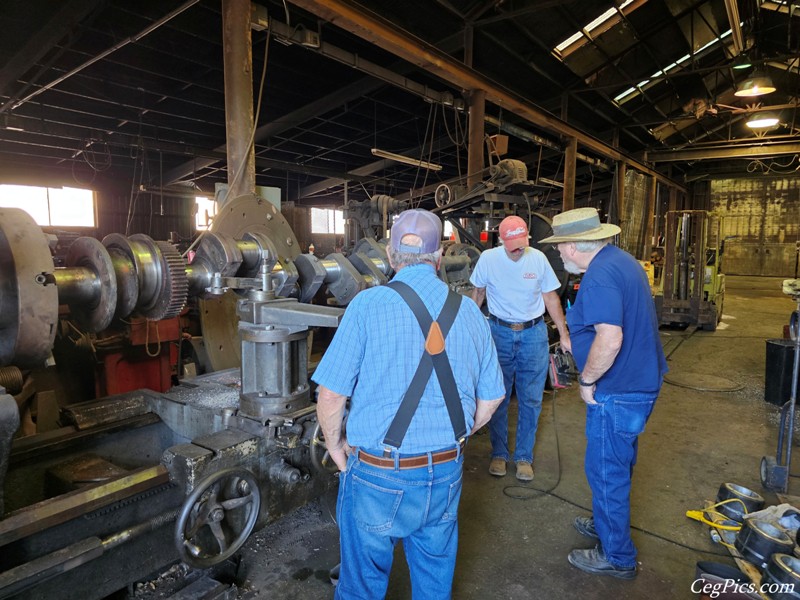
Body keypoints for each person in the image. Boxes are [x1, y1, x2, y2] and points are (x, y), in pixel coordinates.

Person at [313, 209, 505, 600]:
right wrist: (457, 433)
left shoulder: (366, 306)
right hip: (445, 470)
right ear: (439, 257)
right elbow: (493, 396)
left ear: (390, 254)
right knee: (434, 581)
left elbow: (331, 394)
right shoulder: (468, 310)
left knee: (361, 586)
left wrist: (334, 446)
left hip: (378, 474)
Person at [540, 207, 668, 580]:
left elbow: (610, 339)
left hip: (619, 389)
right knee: (617, 462)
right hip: (638, 381)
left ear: (573, 245)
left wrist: (586, 380)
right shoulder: (619, 261)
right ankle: (605, 522)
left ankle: (617, 556)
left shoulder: (599, 276)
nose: (560, 254)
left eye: (560, 247)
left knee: (606, 470)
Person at [469, 215, 571, 481]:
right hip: (499, 332)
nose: (518, 249)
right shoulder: (489, 259)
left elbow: (550, 298)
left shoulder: (537, 258)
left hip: (533, 334)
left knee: (531, 399)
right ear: (501, 239)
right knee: (497, 397)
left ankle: (524, 457)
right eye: (512, 243)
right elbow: (477, 295)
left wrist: (563, 334)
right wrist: (468, 330)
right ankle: (499, 454)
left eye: (522, 242)